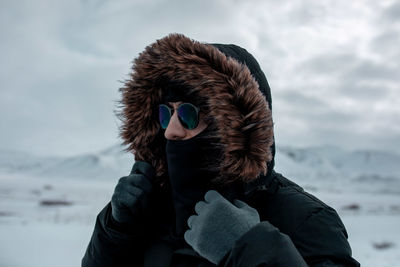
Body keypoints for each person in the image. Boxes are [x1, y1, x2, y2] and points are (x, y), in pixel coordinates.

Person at [82, 33, 360, 267]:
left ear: (235, 125)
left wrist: (252, 249)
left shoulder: (305, 220)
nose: (171, 131)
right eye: (166, 114)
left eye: (189, 114)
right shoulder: (152, 208)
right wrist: (115, 230)